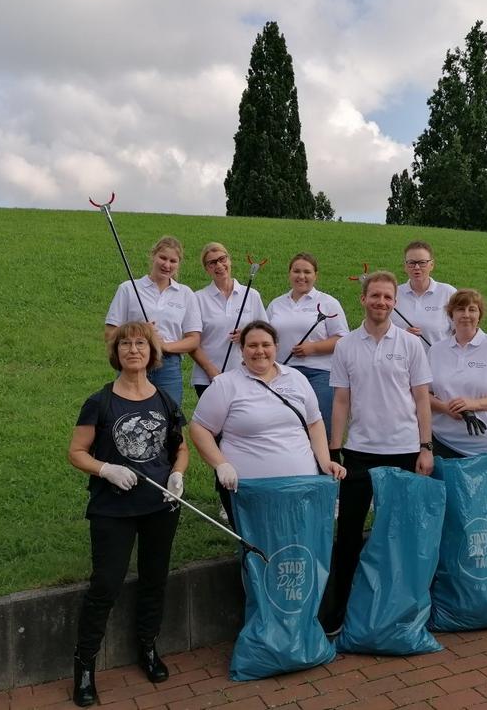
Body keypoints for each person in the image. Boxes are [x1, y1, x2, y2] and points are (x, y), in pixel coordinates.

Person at [67, 321, 189, 707]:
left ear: (152, 353)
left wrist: (177, 475)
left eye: (140, 343)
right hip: (113, 510)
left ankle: (148, 648)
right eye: (125, 344)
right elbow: (77, 452)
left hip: (159, 507)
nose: (133, 350)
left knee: (155, 579)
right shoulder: (100, 402)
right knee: (105, 585)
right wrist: (104, 469)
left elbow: (179, 448)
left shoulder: (166, 401)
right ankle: (84, 666)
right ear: (116, 353)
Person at [326, 271, 433, 634]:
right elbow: (341, 401)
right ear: (363, 299)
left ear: (395, 302)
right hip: (358, 453)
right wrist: (334, 449)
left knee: (399, 535)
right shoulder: (345, 346)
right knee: (349, 535)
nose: (381, 302)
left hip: (404, 451)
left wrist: (426, 446)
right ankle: (339, 611)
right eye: (375, 296)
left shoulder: (410, 345)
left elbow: (422, 399)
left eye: (388, 297)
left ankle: (400, 610)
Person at [190, 320, 346, 529]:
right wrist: (221, 464)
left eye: (266, 345)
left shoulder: (296, 378)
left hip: (301, 488)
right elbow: (199, 429)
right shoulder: (225, 385)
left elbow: (314, 423)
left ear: (276, 347)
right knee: (261, 553)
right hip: (250, 494)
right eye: (252, 346)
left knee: (299, 550)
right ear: (242, 349)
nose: (260, 351)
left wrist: (325, 462)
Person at [428, 289, 487, 553]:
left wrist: (474, 405)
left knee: (485, 513)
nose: (466, 315)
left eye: (472, 309)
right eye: (460, 309)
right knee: (451, 514)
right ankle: (457, 578)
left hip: (486, 447)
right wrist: (445, 408)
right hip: (445, 443)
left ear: (480, 315)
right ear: (450, 314)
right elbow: (423, 394)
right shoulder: (436, 351)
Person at [104, 236, 202, 406]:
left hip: (168, 365)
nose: (167, 265)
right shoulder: (128, 288)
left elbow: (193, 340)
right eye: (163, 258)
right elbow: (110, 333)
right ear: (153, 256)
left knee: (170, 418)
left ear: (179, 263)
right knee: (126, 412)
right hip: (133, 360)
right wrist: (139, 332)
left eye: (173, 261)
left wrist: (165, 346)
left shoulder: (186, 294)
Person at [266, 252, 348, 441]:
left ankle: (324, 465)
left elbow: (342, 339)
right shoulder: (277, 304)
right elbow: (266, 336)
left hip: (319, 373)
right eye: (296, 271)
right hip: (283, 373)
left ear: (315, 275)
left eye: (307, 272)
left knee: (319, 425)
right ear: (289, 274)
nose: (301, 276)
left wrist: (313, 348)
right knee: (287, 426)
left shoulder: (328, 303)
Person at [189, 242, 268, 397]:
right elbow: (192, 342)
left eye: (222, 259)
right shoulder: (197, 298)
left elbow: (266, 334)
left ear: (229, 260)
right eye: (212, 263)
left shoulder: (251, 295)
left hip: (246, 375)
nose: (219, 265)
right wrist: (210, 370)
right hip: (208, 378)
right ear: (206, 269)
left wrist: (247, 334)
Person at [393, 240, 457, 348]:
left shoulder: (448, 293)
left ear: (431, 265)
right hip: (401, 362)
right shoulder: (393, 294)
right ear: (405, 266)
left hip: (437, 362)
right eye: (411, 263)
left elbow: (461, 331)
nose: (416, 267)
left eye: (422, 262)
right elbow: (381, 331)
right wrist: (402, 335)